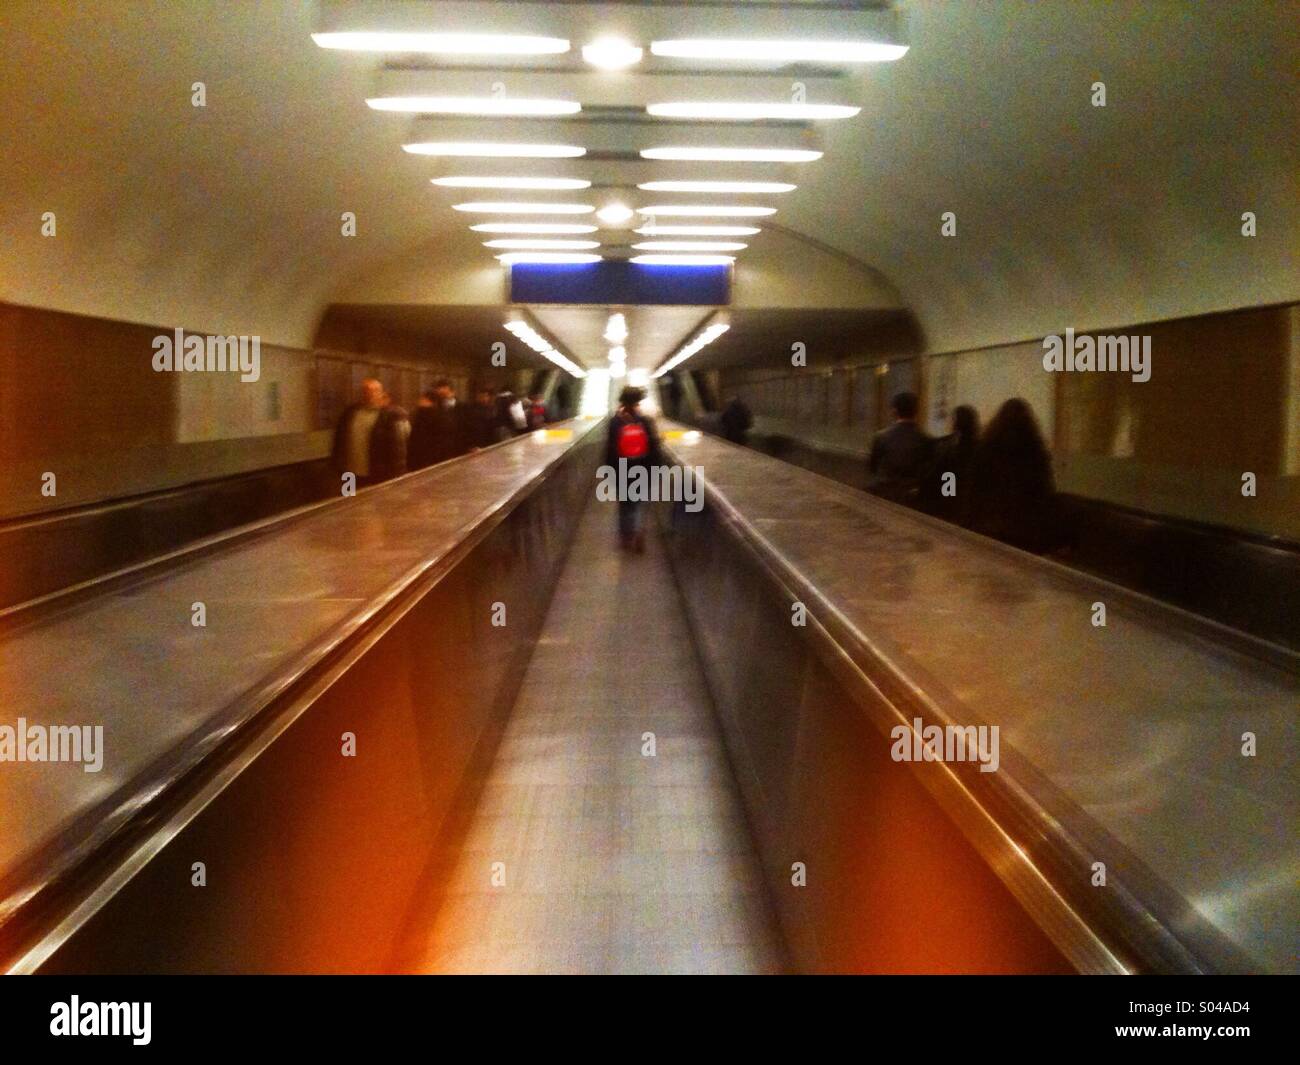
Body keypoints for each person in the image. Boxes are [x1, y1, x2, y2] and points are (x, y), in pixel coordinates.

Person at [969, 397, 1059, 552]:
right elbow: (1046, 493)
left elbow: (973, 491)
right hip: (1025, 533)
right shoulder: (1036, 454)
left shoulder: (985, 449)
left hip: (987, 528)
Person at [605, 385, 662, 553]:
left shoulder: (615, 422)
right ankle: (638, 530)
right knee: (638, 503)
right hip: (643, 468)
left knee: (625, 504)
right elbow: (654, 446)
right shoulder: (645, 421)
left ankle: (626, 537)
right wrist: (657, 469)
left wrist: (609, 472)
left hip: (622, 469)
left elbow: (610, 449)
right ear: (638, 402)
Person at [331, 377, 408, 487]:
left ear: (382, 393)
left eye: (374, 390)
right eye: (366, 390)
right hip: (349, 472)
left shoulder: (390, 416)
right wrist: (336, 465)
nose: (370, 394)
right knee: (349, 499)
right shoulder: (350, 413)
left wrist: (398, 475)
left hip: (378, 473)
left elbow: (398, 447)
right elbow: (339, 440)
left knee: (375, 503)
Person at [867, 391, 932, 504]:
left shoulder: (881, 437)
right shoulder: (926, 439)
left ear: (894, 411)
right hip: (914, 496)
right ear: (916, 411)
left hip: (886, 493)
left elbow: (872, 467)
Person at [920, 404, 980, 525]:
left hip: (947, 496)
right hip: (971, 502)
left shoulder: (945, 445)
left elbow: (935, 475)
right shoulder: (981, 446)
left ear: (955, 422)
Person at [408, 379, 467, 469]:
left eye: (444, 394)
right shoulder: (439, 413)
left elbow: (465, 429)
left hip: (447, 454)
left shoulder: (463, 408)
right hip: (441, 457)